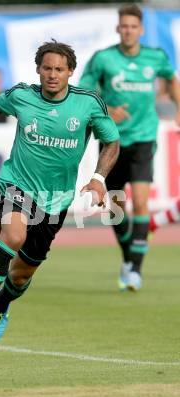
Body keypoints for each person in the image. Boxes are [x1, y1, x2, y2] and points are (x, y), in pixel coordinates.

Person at [0, 40, 120, 345]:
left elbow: (112, 141)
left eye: (59, 69)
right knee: (13, 237)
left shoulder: (88, 103)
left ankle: (1, 305)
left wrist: (98, 178)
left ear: (70, 72)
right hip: (16, 183)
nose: (52, 74)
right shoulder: (22, 95)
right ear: (38, 69)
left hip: (56, 200)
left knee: (21, 274)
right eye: (47, 68)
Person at [79, 3, 180, 291]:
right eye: (124, 26)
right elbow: (85, 93)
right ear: (117, 28)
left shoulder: (155, 57)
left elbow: (172, 80)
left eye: (133, 26)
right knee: (115, 206)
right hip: (112, 140)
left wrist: (178, 107)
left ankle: (135, 270)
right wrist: (107, 108)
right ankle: (128, 256)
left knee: (142, 199)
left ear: (141, 30)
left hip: (144, 137)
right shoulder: (104, 59)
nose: (128, 31)